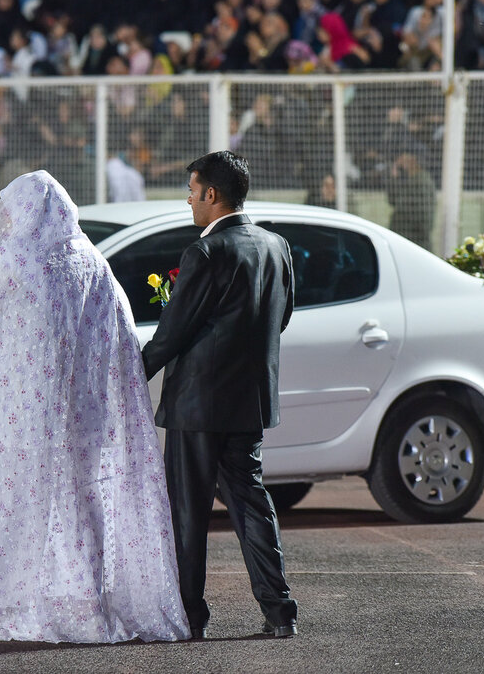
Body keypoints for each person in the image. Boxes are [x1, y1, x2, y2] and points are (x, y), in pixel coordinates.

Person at [0, 171, 190, 644]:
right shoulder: (93, 262)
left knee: (17, 509)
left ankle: (7, 606)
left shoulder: (23, 260)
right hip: (86, 416)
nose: (8, 216)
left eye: (13, 207)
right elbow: (120, 337)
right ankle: (85, 604)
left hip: (26, 417)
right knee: (81, 506)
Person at [141, 151, 298, 641]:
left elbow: (173, 334)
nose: (189, 200)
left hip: (196, 406)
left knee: (187, 513)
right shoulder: (277, 246)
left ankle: (189, 617)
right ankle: (279, 611)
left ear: (211, 194)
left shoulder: (205, 253)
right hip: (249, 401)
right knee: (251, 503)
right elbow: (282, 317)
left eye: (191, 190)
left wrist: (128, 373)